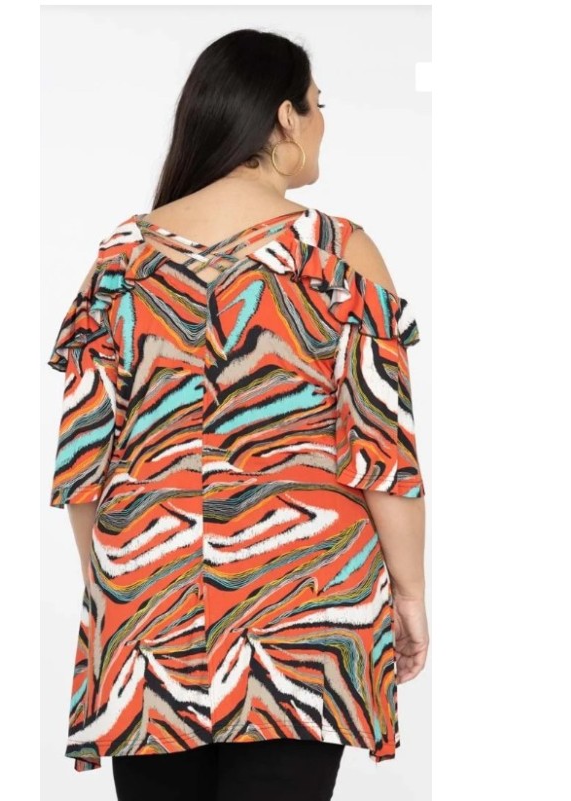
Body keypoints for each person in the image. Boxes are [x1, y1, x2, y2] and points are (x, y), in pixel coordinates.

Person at [46, 27, 429, 801]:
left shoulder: (121, 260)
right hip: (304, 595)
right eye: (317, 105)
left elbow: (84, 467)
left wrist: (120, 590)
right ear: (285, 116)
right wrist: (409, 591)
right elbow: (382, 454)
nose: (321, 122)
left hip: (146, 599)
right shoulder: (336, 253)